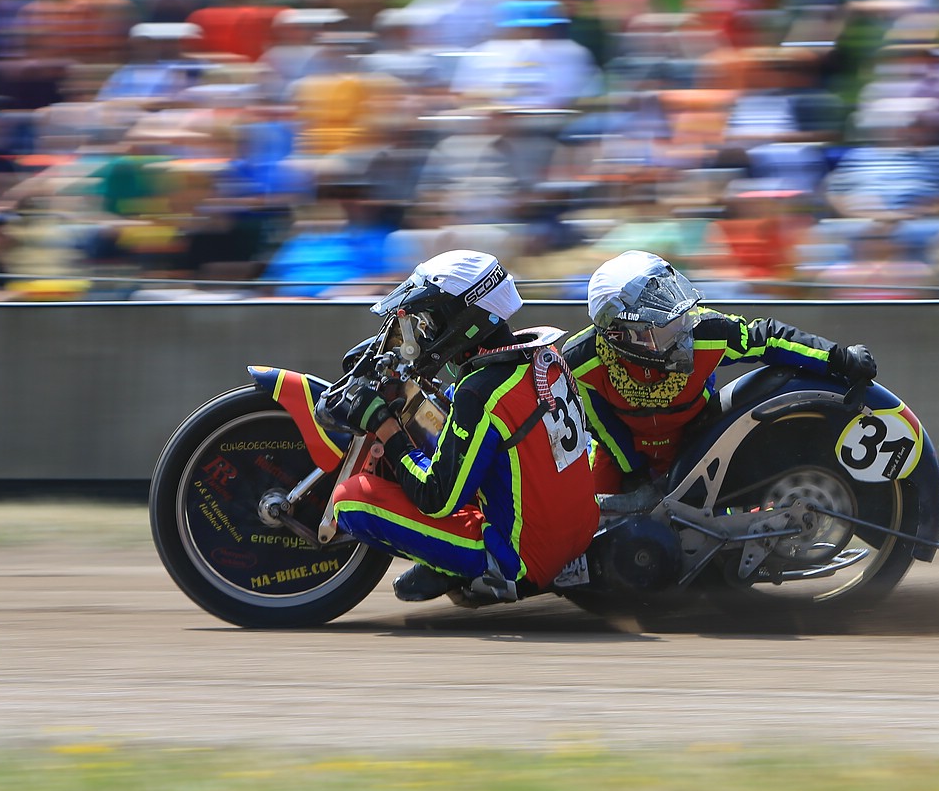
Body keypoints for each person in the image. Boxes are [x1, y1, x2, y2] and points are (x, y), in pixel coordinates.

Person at [319, 249, 602, 607]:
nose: (425, 332)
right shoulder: (542, 356)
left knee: (349, 499)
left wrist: (385, 425)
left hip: (523, 561)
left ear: (464, 319)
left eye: (429, 321)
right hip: (579, 531)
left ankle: (463, 567)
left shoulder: (478, 393)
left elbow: (435, 497)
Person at [562, 250, 877, 496]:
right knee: (588, 530)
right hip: (623, 453)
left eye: (678, 313)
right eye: (664, 325)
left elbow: (768, 339)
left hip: (697, 443)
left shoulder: (706, 330)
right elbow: (600, 424)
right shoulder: (580, 361)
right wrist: (633, 472)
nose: (682, 331)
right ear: (621, 335)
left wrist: (840, 358)